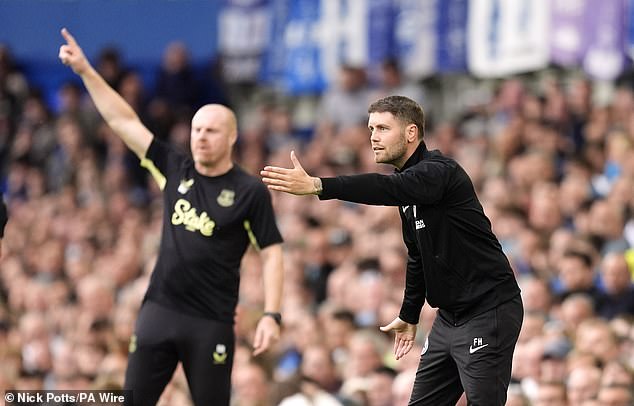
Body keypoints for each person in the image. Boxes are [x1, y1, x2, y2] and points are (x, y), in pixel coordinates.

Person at [59, 28, 284, 406]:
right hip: (159, 311)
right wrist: (86, 71)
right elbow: (123, 121)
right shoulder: (176, 167)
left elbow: (272, 252)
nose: (200, 137)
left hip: (211, 321)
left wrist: (272, 314)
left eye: (211, 131)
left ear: (231, 138)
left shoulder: (249, 191)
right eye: (196, 129)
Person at [261, 95, 523, 405]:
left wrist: (321, 185)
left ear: (411, 133)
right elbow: (417, 256)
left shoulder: (439, 172)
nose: (373, 137)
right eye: (371, 128)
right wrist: (409, 315)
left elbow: (387, 189)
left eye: (383, 128)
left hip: (488, 309)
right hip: (449, 318)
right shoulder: (409, 187)